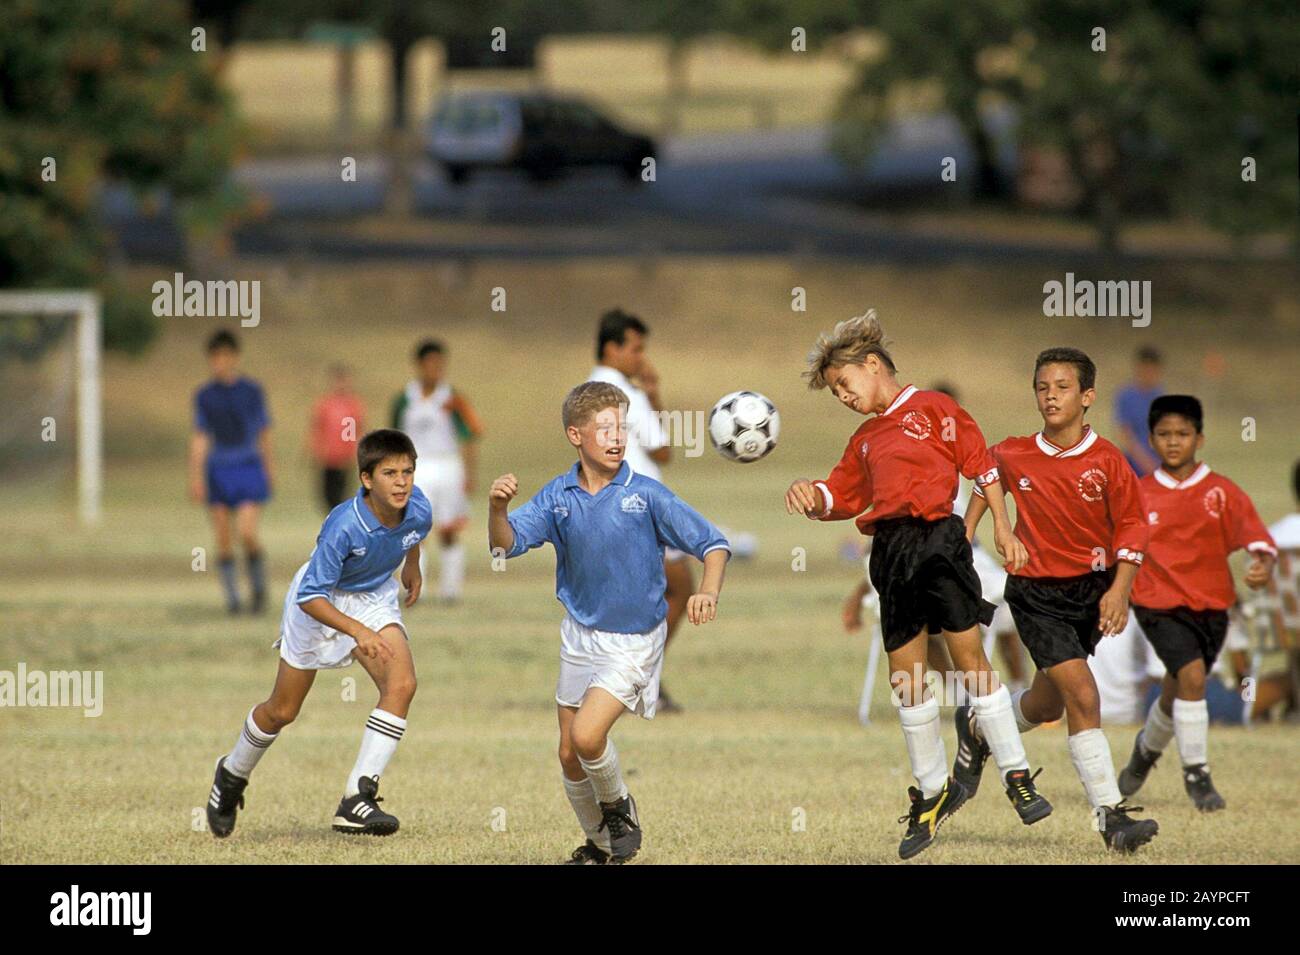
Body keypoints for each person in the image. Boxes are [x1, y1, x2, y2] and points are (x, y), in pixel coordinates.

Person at [785, 310, 1047, 862]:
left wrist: (1002, 525)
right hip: (892, 552)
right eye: (835, 392)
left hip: (941, 542)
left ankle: (1016, 773)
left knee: (970, 657)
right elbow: (843, 496)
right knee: (906, 677)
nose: (843, 396)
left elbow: (983, 469)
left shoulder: (936, 408)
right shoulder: (863, 439)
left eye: (844, 383)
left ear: (873, 364)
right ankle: (930, 793)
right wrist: (814, 497)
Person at [488, 381, 730, 864]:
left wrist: (708, 590)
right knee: (567, 755)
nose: (617, 437)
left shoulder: (645, 495)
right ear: (576, 435)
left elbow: (714, 543)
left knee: (587, 737)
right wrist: (497, 508)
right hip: (579, 636)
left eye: (622, 426)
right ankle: (599, 846)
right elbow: (504, 545)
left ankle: (620, 806)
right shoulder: (558, 496)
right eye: (605, 428)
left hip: (634, 641)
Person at [963, 347, 1159, 852]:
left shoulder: (1110, 461)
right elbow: (987, 480)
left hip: (1090, 594)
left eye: (1063, 387)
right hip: (1036, 594)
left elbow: (1135, 525)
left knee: (1045, 702)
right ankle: (1110, 818)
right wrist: (963, 537)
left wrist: (1120, 588)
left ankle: (982, 731)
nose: (1050, 396)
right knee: (1084, 696)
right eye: (1042, 387)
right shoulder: (1013, 451)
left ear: (1087, 396)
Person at [205, 429, 431, 839]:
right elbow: (311, 595)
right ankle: (232, 772)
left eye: (408, 471)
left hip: (373, 596)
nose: (401, 482)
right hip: (320, 601)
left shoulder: (418, 507)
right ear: (366, 479)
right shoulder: (344, 526)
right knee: (282, 710)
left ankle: (356, 798)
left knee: (402, 684)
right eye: (389, 473)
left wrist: (411, 565)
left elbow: (413, 534)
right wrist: (356, 630)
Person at [1117, 395, 1277, 811]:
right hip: (1157, 604)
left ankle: (1145, 753)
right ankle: (1198, 775)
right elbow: (1115, 546)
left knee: (1178, 689)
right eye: (1164, 435)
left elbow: (1256, 539)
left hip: (1212, 607)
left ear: (1199, 438)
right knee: (1190, 678)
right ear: (1151, 440)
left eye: (1183, 434)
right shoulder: (1139, 493)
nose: (1174, 442)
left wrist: (1261, 564)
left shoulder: (1222, 492)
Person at [587, 309, 691, 713]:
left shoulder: (588, 387)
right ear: (612, 348)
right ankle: (637, 679)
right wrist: (651, 393)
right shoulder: (621, 391)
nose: (641, 356)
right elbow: (662, 448)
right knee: (680, 589)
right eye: (636, 348)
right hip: (640, 508)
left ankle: (634, 680)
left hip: (606, 506)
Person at [391, 340, 484, 602]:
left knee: (448, 529)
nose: (436, 370)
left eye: (440, 365)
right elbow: (395, 437)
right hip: (416, 468)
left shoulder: (452, 398)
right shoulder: (404, 399)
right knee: (413, 528)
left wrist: (469, 473)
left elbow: (472, 433)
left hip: (448, 466)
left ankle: (450, 590)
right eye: (430, 364)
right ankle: (412, 588)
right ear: (419, 365)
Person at [188, 330, 273, 615]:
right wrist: (196, 477)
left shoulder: (252, 391)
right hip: (218, 469)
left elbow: (263, 432)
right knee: (223, 539)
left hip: (248, 466)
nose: (219, 363)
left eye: (224, 356)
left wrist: (268, 469)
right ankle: (234, 600)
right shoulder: (204, 396)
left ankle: (259, 589)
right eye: (214, 357)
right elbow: (200, 437)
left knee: (247, 532)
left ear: (234, 357)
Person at [309, 364, 366, 512]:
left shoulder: (352, 406)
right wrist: (316, 451)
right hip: (328, 459)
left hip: (344, 461)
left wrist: (352, 453)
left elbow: (354, 432)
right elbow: (317, 429)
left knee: (341, 497)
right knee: (327, 496)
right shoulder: (324, 405)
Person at [1113, 346, 1164, 476]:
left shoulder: (1160, 395)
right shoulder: (1126, 396)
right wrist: (1146, 463)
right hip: (1134, 465)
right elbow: (1125, 434)